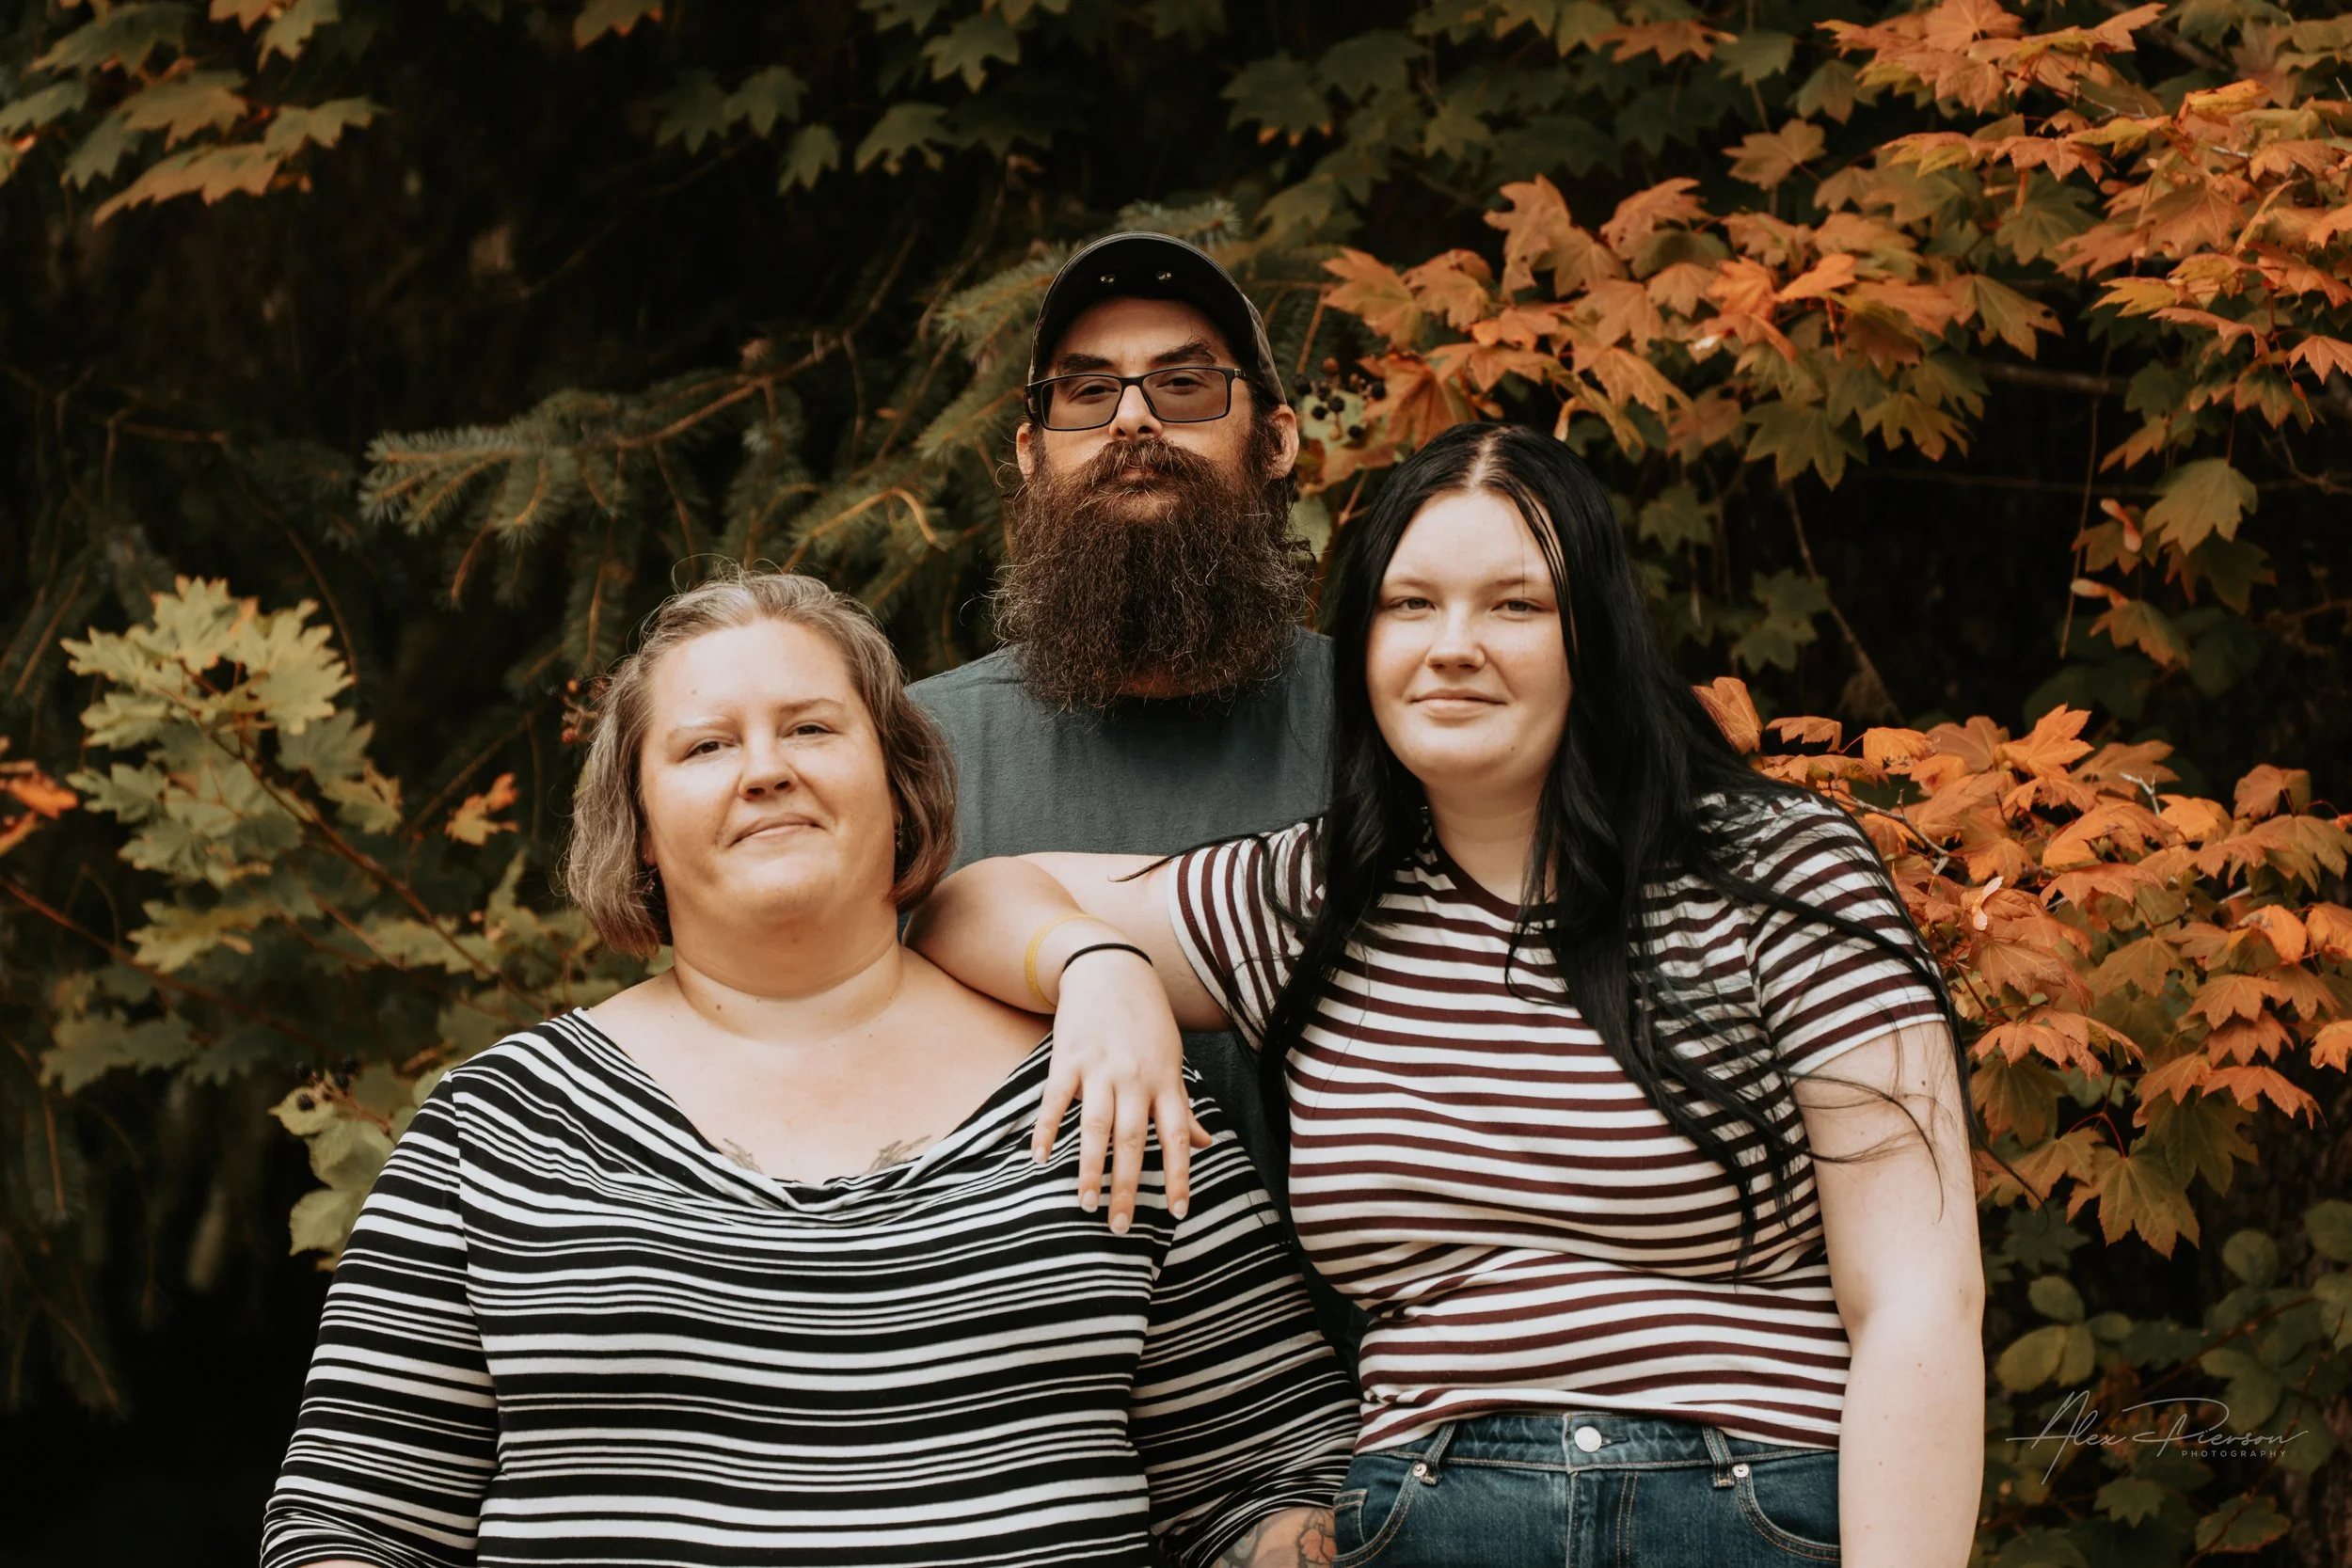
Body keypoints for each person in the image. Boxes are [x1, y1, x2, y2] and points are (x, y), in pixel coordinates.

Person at [909, 425, 1986, 1566]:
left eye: (1513, 605)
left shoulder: (1778, 867)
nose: (1452, 647)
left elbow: (1919, 1300)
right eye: (1409, 605)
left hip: (1743, 1499)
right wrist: (1101, 965)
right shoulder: (1310, 903)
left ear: (1594, 637)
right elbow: (965, 903)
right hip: (1429, 1513)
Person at [260, 571, 1355, 1568]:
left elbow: (1275, 1473)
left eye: (811, 727)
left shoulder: (1107, 1084)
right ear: (639, 825)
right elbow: (349, 1521)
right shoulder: (495, 1126)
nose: (766, 769)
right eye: (704, 747)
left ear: (900, 777)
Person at [909, 230, 1329, 1223]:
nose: (1133, 419)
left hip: (1366, 1355)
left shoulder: (1397, 730)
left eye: (1185, 386)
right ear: (1029, 454)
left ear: (1275, 440)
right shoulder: (912, 752)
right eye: (1086, 393)